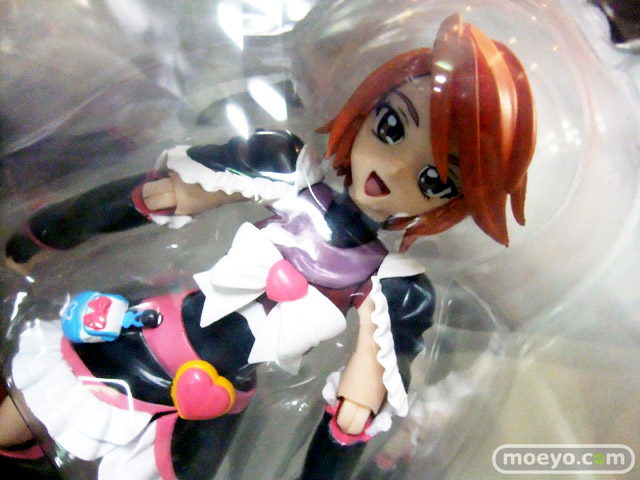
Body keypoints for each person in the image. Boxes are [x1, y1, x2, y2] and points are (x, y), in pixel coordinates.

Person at [1, 14, 535, 480]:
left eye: (435, 179)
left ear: (454, 201)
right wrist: (44, 234)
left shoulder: (396, 286)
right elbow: (159, 194)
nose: (394, 170)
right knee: (20, 419)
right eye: (392, 127)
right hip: (150, 340)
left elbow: (355, 410)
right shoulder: (285, 171)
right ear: (368, 110)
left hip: (208, 407)